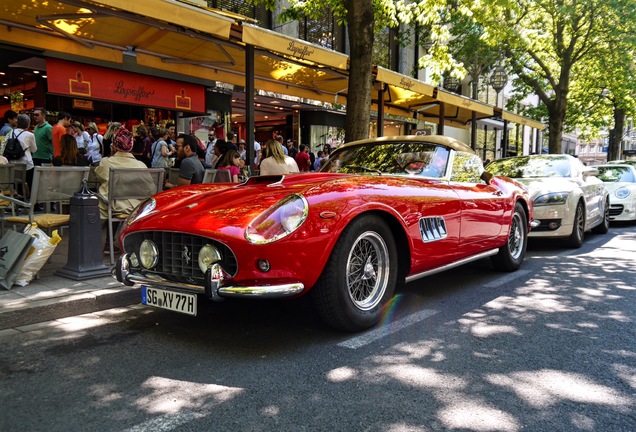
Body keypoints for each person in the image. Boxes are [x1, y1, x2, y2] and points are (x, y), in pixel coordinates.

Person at [95, 126, 150, 220]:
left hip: (113, 207)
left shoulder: (106, 162)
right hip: (138, 207)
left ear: (114, 145)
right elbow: (150, 188)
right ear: (131, 146)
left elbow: (99, 176)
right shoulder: (141, 165)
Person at [9, 113, 37, 193]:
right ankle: (32, 202)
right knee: (31, 183)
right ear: (28, 124)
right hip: (27, 164)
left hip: (13, 163)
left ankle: (19, 201)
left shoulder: (11, 132)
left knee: (17, 185)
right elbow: (34, 150)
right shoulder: (30, 135)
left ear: (17, 123)